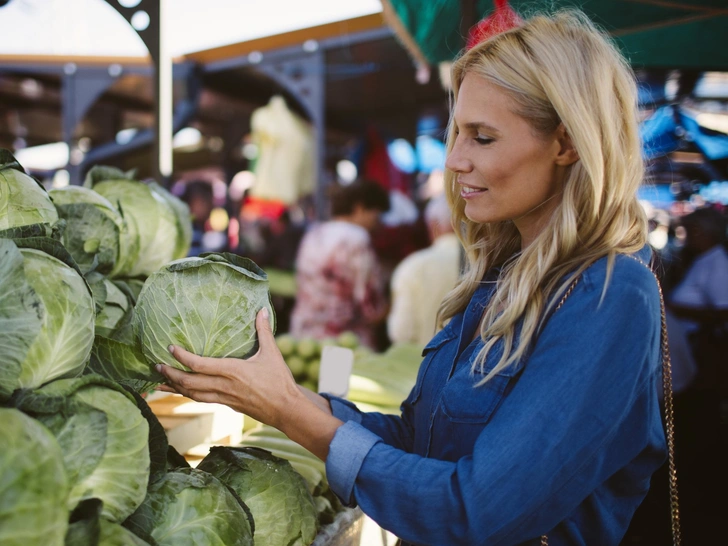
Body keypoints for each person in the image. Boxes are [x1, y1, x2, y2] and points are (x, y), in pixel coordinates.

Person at [157, 10, 667, 545]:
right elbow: (418, 444)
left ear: (566, 143)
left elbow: (473, 510)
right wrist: (284, 396)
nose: (453, 160)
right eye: (456, 134)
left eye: (483, 138)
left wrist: (287, 410)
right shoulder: (502, 277)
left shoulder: (610, 296)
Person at [289, 178, 390, 348]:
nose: (378, 222)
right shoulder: (357, 238)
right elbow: (371, 307)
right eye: (376, 214)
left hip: (303, 338)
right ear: (359, 208)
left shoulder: (314, 233)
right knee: (335, 376)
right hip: (342, 343)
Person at [387, 193, 462, 346]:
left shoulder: (413, 266)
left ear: (433, 225)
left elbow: (401, 333)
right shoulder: (491, 263)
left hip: (421, 365)